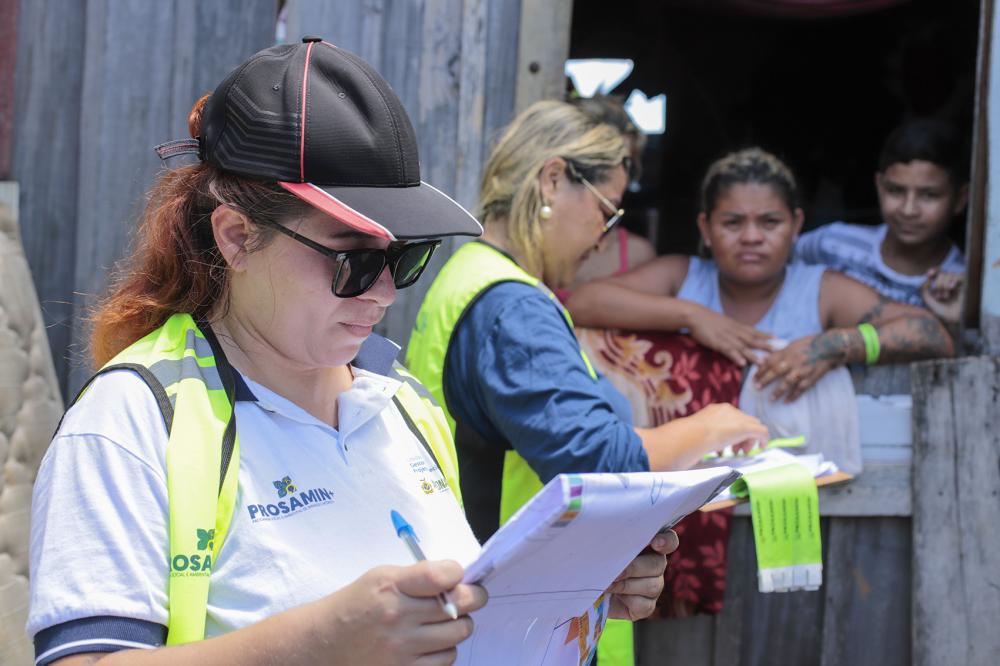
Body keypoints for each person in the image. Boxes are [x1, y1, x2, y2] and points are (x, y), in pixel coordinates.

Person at [27, 40, 673, 666]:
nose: (385, 292)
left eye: (403, 256)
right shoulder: (130, 424)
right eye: (353, 259)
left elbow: (462, 617)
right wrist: (320, 642)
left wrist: (563, 593)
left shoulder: (402, 403)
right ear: (236, 237)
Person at [405, 100, 768, 665]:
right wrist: (710, 423)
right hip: (514, 628)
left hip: (495, 610)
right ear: (554, 180)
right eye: (608, 211)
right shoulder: (511, 307)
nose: (604, 238)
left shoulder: (472, 276)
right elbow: (604, 462)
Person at [567, 147, 955, 404]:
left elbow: (932, 334)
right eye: (733, 222)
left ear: (796, 225)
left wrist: (838, 344)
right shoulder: (681, 277)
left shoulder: (822, 291)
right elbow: (582, 302)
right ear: (705, 227)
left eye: (769, 222)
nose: (751, 237)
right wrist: (691, 316)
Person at [795, 119, 970, 323]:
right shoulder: (831, 245)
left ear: (960, 199)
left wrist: (954, 321)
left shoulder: (963, 284)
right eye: (896, 191)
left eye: (929, 195)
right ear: (879, 186)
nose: (908, 210)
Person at [558, 95, 656, 295]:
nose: (611, 172)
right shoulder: (533, 248)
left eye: (624, 162)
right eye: (602, 158)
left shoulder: (637, 254)